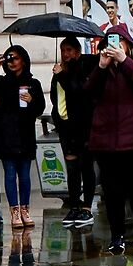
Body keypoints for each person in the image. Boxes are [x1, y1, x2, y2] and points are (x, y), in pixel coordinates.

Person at [87, 31, 133, 253]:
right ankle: (116, 235)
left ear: (128, 45)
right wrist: (101, 67)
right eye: (110, 42)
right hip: (107, 141)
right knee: (112, 191)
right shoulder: (102, 68)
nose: (115, 46)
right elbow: (89, 92)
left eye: (119, 42)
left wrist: (124, 60)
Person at [0, 45, 46, 233]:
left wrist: (32, 100)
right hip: (6, 136)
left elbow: (39, 108)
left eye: (15, 58)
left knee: (24, 176)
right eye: (9, 58)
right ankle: (14, 210)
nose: (12, 62)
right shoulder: (1, 82)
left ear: (23, 59)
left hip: (25, 135)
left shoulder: (33, 83)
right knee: (10, 174)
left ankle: (25, 209)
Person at [51, 36, 99, 228]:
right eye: (63, 50)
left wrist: (62, 75)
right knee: (71, 169)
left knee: (86, 166)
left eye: (69, 50)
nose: (65, 54)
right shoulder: (60, 71)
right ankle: (74, 204)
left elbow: (79, 92)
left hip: (84, 127)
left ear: (78, 52)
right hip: (66, 128)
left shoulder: (83, 68)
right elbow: (57, 97)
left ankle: (87, 207)